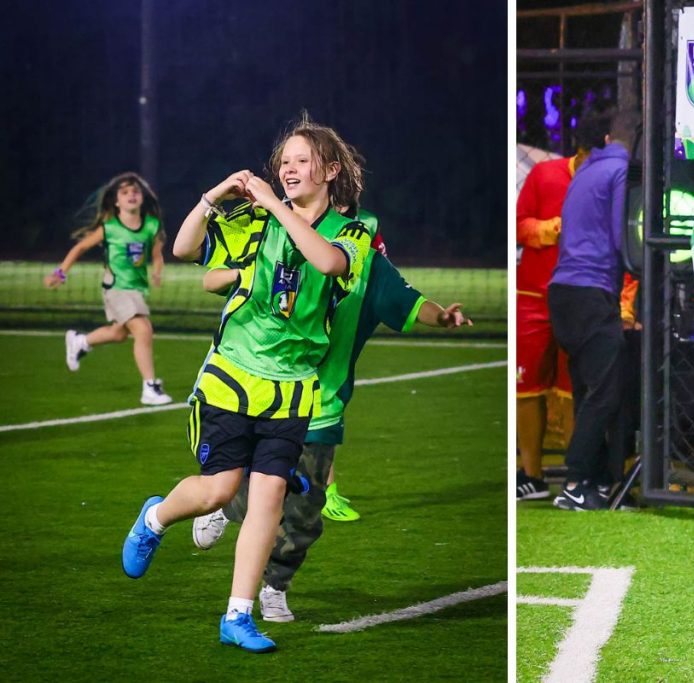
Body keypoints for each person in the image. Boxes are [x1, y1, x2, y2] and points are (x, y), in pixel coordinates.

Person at [120, 114, 375, 654]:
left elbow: (327, 263)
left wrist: (277, 209)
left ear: (329, 171)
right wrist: (214, 196)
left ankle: (238, 617)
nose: (288, 169)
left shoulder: (349, 232)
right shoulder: (252, 222)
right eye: (283, 162)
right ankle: (155, 516)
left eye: (301, 160)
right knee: (220, 489)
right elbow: (187, 250)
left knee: (269, 497)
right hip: (233, 377)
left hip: (292, 387)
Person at [192, 234, 471, 621]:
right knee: (262, 490)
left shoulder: (370, 265)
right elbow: (212, 275)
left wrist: (442, 317)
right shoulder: (279, 239)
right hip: (270, 394)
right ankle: (222, 505)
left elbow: (412, 302)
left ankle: (275, 586)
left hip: (320, 408)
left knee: (305, 513)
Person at [547, 106, 633, 511]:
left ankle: (593, 482)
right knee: (605, 392)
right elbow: (621, 238)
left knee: (588, 390)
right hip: (592, 291)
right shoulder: (619, 170)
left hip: (563, 293)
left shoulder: (584, 172)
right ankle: (578, 481)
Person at [43, 172, 173, 405]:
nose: (131, 195)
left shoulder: (151, 226)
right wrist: (60, 273)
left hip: (137, 289)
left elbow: (156, 255)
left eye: (135, 191)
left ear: (142, 197)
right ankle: (150, 388)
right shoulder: (109, 228)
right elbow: (80, 248)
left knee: (120, 333)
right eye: (124, 193)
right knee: (143, 329)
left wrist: (157, 271)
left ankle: (81, 342)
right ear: (116, 201)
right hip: (116, 288)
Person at [515, 137, 593, 501]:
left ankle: (576, 477)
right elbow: (519, 225)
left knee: (572, 388)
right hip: (532, 298)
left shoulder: (610, 184)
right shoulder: (545, 174)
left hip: (580, 299)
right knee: (526, 386)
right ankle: (531, 474)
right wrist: (551, 228)